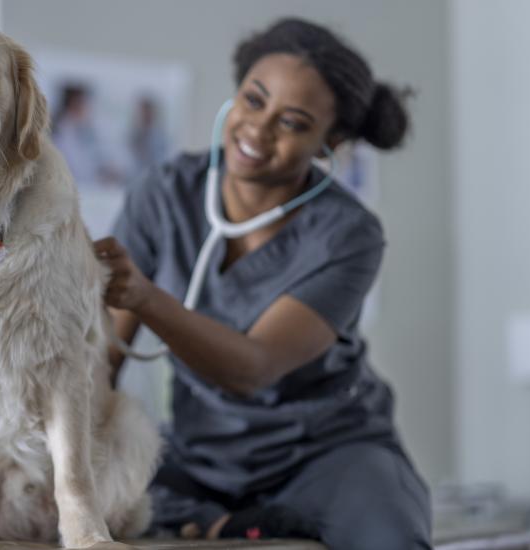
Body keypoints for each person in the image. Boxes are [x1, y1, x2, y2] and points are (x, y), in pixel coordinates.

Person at [94, 18, 431, 550]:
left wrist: (145, 296)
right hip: (197, 457)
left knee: (387, 532)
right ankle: (221, 520)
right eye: (253, 100)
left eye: (292, 122)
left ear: (331, 141)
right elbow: (101, 359)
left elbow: (253, 369)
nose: (258, 129)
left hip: (323, 452)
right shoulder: (165, 194)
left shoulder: (349, 235)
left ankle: (231, 519)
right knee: (92, 488)